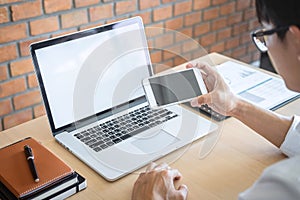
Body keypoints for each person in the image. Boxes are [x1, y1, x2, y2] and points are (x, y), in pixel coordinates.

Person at [132, 0, 300, 199]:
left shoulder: (284, 186)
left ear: (295, 39)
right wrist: (235, 106)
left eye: (265, 33)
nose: (266, 47)